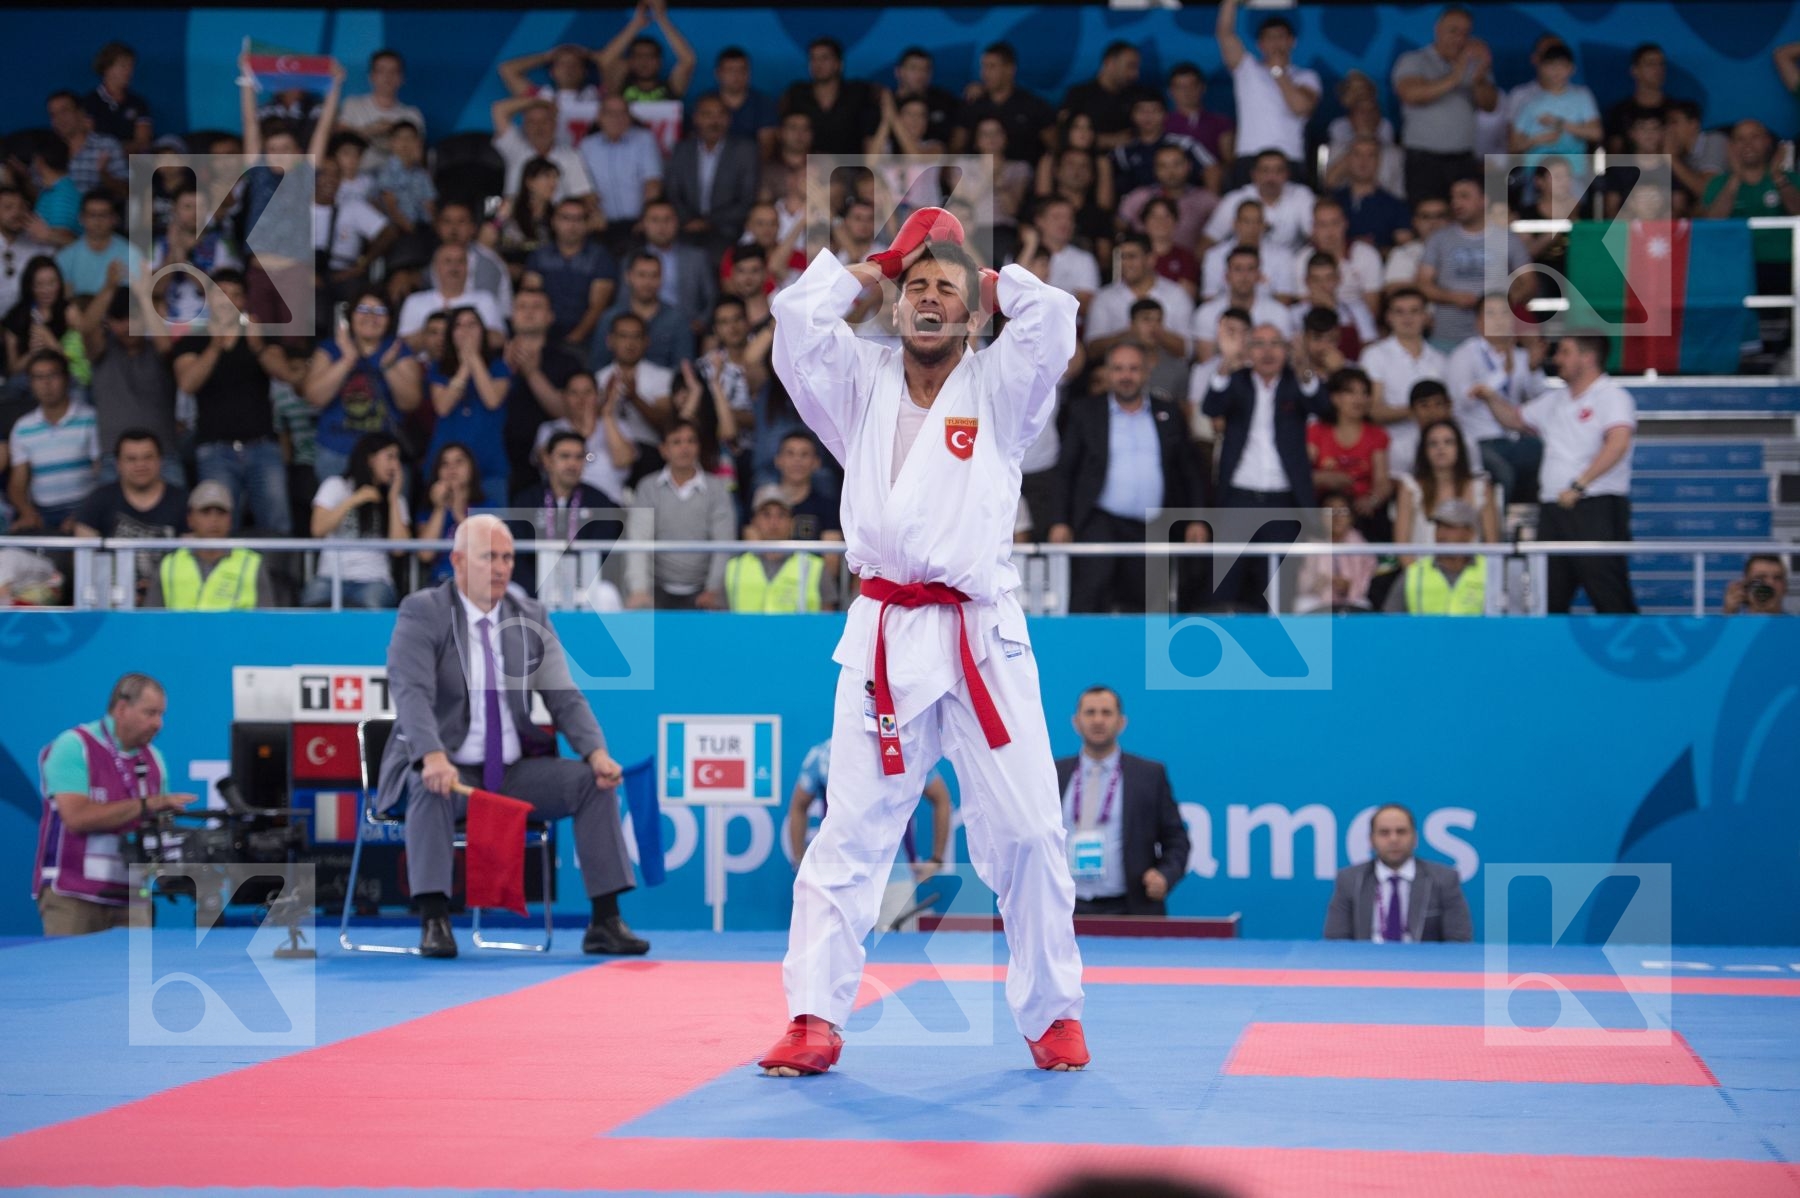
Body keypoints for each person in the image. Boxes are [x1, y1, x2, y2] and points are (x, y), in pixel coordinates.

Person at [763, 211, 1088, 1075]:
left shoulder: (1002, 386)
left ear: (975, 313)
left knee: (1027, 831)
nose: (930, 299)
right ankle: (812, 1017)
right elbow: (795, 321)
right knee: (853, 830)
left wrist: (984, 279)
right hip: (883, 636)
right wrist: (875, 267)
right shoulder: (857, 383)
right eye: (917, 289)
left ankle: (1053, 1012)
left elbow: (1055, 318)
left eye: (947, 288)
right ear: (893, 306)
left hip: (981, 633)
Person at [379, 513, 648, 959]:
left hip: (512, 771)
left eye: (508, 557)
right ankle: (434, 919)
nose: (502, 567)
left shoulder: (530, 615)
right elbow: (412, 694)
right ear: (459, 562)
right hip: (450, 767)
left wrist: (596, 752)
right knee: (430, 787)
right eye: (490, 557)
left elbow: (564, 695)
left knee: (592, 783)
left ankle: (605, 919)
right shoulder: (423, 611)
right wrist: (431, 755)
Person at [1479, 333, 1636, 614]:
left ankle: (1634, 656)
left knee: (1609, 593)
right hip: (1553, 508)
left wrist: (1579, 485)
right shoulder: (1555, 400)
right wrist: (1489, 396)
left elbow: (1618, 443)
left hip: (1594, 505)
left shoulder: (1612, 395)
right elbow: (1514, 419)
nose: (1556, 359)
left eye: (1564, 352)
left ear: (1588, 358)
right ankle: (1549, 656)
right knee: (1547, 595)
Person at [1049, 341, 1209, 614]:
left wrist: (1197, 517)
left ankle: (1145, 657)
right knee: (1090, 596)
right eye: (1119, 369)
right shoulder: (1084, 412)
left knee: (1150, 604)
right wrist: (1060, 521)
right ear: (1108, 373)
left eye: (1134, 369)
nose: (1126, 376)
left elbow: (1190, 470)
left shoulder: (1168, 412)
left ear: (1147, 372)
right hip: (1101, 520)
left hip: (1155, 523)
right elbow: (1066, 471)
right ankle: (1084, 656)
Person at [33, 674, 198, 935]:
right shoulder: (74, 746)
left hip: (133, 895)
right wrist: (148, 804)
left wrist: (178, 873)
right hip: (74, 895)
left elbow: (157, 831)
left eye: (161, 714)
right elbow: (77, 817)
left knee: (135, 977)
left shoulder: (155, 760)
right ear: (122, 708)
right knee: (71, 975)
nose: (158, 723)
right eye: (150, 713)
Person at [1054, 686, 1189, 917]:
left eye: (1106, 713)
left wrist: (1164, 875)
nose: (1098, 720)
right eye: (1090, 712)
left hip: (1129, 908)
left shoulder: (1149, 775)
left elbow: (1177, 840)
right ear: (1076, 722)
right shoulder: (1053, 774)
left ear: (1121, 722)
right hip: (1062, 908)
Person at [787, 736, 953, 880]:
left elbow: (941, 798)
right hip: (839, 878)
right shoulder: (824, 755)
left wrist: (937, 859)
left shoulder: (902, 751)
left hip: (894, 878)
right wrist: (799, 862)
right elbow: (799, 806)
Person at [304, 289, 421, 484]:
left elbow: (410, 403)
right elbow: (314, 397)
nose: (371, 316)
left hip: (385, 456)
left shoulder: (398, 350)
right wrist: (347, 361)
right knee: (337, 514)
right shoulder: (331, 348)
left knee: (389, 513)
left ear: (390, 319)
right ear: (350, 315)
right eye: (363, 309)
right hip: (335, 451)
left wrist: (388, 367)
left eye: (379, 311)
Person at [623, 419, 735, 608]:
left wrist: (713, 589)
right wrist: (639, 590)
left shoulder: (717, 488)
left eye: (691, 441)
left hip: (704, 591)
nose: (685, 448)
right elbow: (638, 542)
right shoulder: (648, 487)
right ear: (663, 450)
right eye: (677, 442)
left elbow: (724, 544)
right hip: (657, 587)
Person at [1447, 293, 1545, 505]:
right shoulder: (1464, 355)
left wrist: (1533, 370)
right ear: (1478, 322)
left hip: (1515, 439)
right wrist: (1503, 372)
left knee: (1544, 455)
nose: (1499, 319)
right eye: (1491, 313)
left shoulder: (1521, 356)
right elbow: (1462, 401)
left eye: (1504, 313)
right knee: (1502, 475)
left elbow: (1541, 401)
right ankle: (1496, 533)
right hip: (1478, 441)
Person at [1323, 803, 1473, 941]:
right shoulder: (1349, 880)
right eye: (1384, 833)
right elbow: (1336, 941)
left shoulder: (1444, 879)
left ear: (1415, 838)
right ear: (1371, 840)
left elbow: (1458, 942)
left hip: (1424, 966)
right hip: (1366, 965)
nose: (1393, 839)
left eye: (1401, 832)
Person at [1392, 6, 1497, 203]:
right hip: (1424, 160)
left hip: (1463, 159)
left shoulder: (1473, 63)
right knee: (1427, 216)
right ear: (1437, 30)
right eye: (1453, 31)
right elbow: (1411, 94)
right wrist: (1456, 75)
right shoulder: (1414, 60)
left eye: (1465, 33)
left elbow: (1489, 105)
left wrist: (1479, 76)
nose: (1459, 38)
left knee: (1466, 216)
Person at [506, 429, 621, 602]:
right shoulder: (526, 500)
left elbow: (604, 555)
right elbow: (517, 554)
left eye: (578, 457)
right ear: (548, 460)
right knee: (509, 592)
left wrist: (576, 588)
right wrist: (538, 590)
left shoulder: (599, 501)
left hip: (584, 588)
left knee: (607, 594)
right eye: (565, 456)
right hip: (533, 587)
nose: (572, 464)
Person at [71, 429, 186, 599]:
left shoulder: (181, 501)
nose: (140, 465)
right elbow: (82, 558)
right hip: (112, 600)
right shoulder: (99, 499)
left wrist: (157, 587)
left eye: (148, 457)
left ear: (160, 460)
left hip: (168, 598)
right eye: (131, 459)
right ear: (118, 464)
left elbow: (193, 559)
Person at [1215, 0, 1320, 185]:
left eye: (1280, 37)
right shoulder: (1247, 69)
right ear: (1260, 44)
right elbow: (1224, 34)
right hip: (1249, 157)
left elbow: (1300, 107)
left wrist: (1278, 71)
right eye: (1269, 38)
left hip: (1289, 158)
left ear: (1292, 41)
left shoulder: (1306, 76)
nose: (1275, 43)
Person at [304, 431, 410, 609]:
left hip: (374, 581)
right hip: (330, 577)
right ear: (370, 459)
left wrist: (393, 499)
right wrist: (354, 500)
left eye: (397, 458)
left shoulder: (396, 501)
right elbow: (318, 529)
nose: (396, 465)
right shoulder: (336, 485)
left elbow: (400, 549)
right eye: (390, 457)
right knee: (310, 608)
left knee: (371, 607)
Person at [7, 349, 98, 534]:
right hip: (43, 516)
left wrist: (83, 515)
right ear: (30, 383)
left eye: (53, 375)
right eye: (38, 377)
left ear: (66, 378)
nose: (46, 384)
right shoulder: (22, 427)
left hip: (86, 513)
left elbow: (101, 474)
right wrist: (28, 513)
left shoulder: (90, 419)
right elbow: (17, 484)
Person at [145, 482, 275, 609]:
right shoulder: (169, 565)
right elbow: (150, 622)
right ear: (190, 519)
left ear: (230, 520)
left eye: (221, 512)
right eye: (205, 512)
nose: (214, 519)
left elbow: (267, 624)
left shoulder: (251, 564)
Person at [1394, 418, 1500, 561]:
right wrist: (1417, 579)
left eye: (1448, 442)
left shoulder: (1481, 487)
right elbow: (1402, 548)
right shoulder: (1410, 488)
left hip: (1473, 579)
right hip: (1421, 577)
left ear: (1459, 448)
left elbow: (1492, 546)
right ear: (1424, 451)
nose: (1440, 448)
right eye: (1433, 444)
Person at [724, 485, 835, 613]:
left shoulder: (815, 567)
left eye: (781, 515)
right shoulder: (734, 567)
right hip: (745, 633)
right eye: (766, 515)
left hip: (799, 633)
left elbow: (828, 620)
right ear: (754, 522)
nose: (774, 522)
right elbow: (721, 620)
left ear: (792, 523)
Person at [1384, 499, 1489, 614]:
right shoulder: (1415, 573)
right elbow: (1389, 621)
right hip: (1424, 632)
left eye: (1450, 527)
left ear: (1470, 533)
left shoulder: (1490, 572)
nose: (1441, 534)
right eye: (1439, 526)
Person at [416, 442, 484, 587]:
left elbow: (486, 552)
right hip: (442, 582)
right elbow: (425, 554)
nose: (452, 468)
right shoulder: (429, 511)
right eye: (445, 464)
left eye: (459, 461)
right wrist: (439, 508)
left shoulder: (487, 507)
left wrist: (458, 514)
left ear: (471, 468)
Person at [1723, 555, 1789, 616]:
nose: (1770, 583)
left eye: (1777, 578)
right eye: (1760, 577)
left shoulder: (1796, 624)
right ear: (1745, 585)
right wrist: (1728, 614)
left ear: (1785, 586)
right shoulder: (1735, 624)